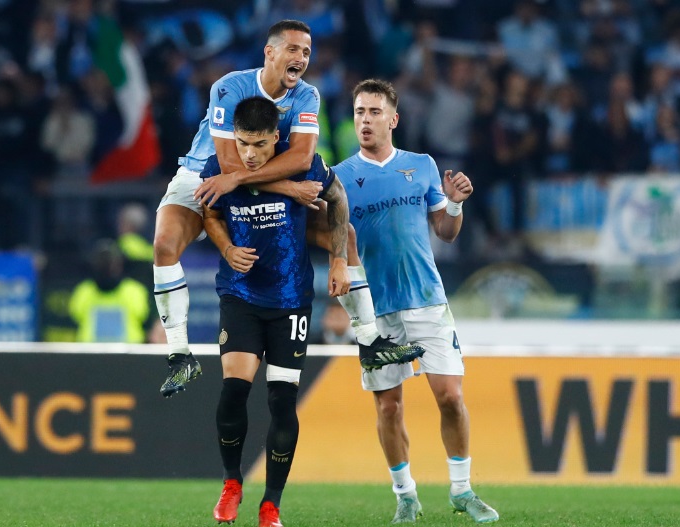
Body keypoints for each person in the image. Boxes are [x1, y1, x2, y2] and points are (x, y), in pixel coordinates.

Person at [155, 19, 422, 398]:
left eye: (307, 52)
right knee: (164, 244)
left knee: (342, 234)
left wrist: (331, 252)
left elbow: (301, 158)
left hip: (259, 182)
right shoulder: (230, 87)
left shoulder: (307, 96)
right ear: (270, 52)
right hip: (204, 177)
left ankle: (369, 341)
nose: (302, 58)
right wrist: (289, 188)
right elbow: (227, 165)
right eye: (293, 49)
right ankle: (180, 355)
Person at [332, 79, 499, 524]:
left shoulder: (422, 165)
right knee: (388, 406)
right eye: (359, 112)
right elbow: (335, 242)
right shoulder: (340, 178)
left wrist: (456, 205)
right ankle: (405, 496)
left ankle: (462, 490)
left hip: (426, 299)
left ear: (394, 119)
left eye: (374, 112)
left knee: (451, 397)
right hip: (376, 310)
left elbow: (445, 231)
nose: (365, 120)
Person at [202, 96, 349, 527]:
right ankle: (232, 483)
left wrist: (339, 259)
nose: (249, 154)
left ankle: (271, 505)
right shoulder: (218, 165)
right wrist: (226, 248)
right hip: (241, 295)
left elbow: (338, 198)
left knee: (282, 402)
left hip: (290, 301)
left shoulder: (304, 164)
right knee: (234, 389)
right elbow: (210, 214)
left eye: (260, 144)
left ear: (276, 139)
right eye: (243, 143)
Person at [68, 238, 150, 344]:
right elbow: (75, 316)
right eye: (102, 263)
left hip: (129, 351)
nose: (107, 268)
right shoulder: (83, 291)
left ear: (120, 265)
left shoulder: (134, 291)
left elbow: (144, 317)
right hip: (90, 351)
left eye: (110, 263)